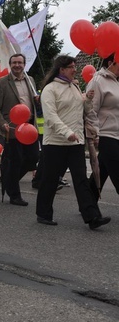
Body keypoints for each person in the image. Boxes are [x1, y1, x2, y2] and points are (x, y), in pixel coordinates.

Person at [36, 55, 111, 229]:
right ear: (61, 69)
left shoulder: (75, 86)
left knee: (81, 180)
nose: (75, 69)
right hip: (55, 143)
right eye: (71, 66)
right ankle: (43, 213)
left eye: (75, 66)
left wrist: (88, 100)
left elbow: (82, 111)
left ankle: (92, 216)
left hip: (75, 142)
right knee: (50, 180)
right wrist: (67, 132)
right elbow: (51, 117)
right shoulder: (50, 89)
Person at [0, 53, 39, 206]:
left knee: (33, 158)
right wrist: (2, 123)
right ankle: (14, 195)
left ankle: (8, 181)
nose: (17, 65)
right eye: (14, 63)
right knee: (15, 161)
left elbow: (33, 103)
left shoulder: (30, 80)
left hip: (29, 128)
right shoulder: (1, 83)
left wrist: (38, 101)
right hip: (11, 128)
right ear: (10, 64)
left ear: (24, 64)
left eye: (20, 62)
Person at [86, 54, 119, 201]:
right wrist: (95, 134)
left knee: (102, 169)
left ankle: (87, 204)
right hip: (105, 134)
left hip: (117, 133)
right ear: (112, 62)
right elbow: (91, 110)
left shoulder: (116, 81)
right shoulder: (98, 81)